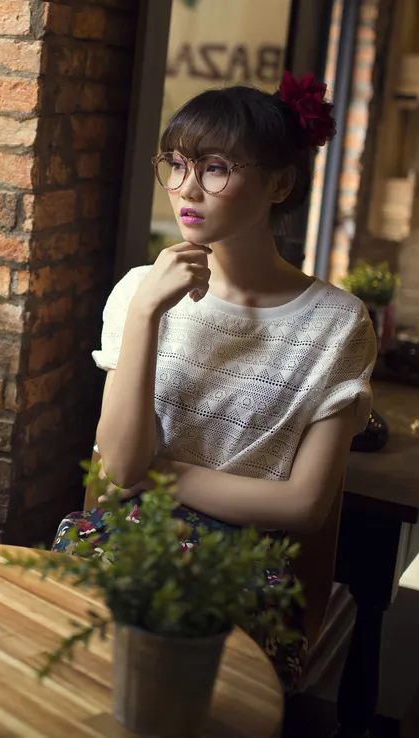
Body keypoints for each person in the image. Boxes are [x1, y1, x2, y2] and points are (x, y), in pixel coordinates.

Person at [51, 73, 378, 689]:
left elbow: (305, 507)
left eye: (216, 167)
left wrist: (158, 475)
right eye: (175, 164)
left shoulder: (337, 323)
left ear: (280, 183)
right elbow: (118, 470)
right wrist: (149, 312)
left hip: (246, 574)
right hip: (126, 546)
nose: (186, 189)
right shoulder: (139, 292)